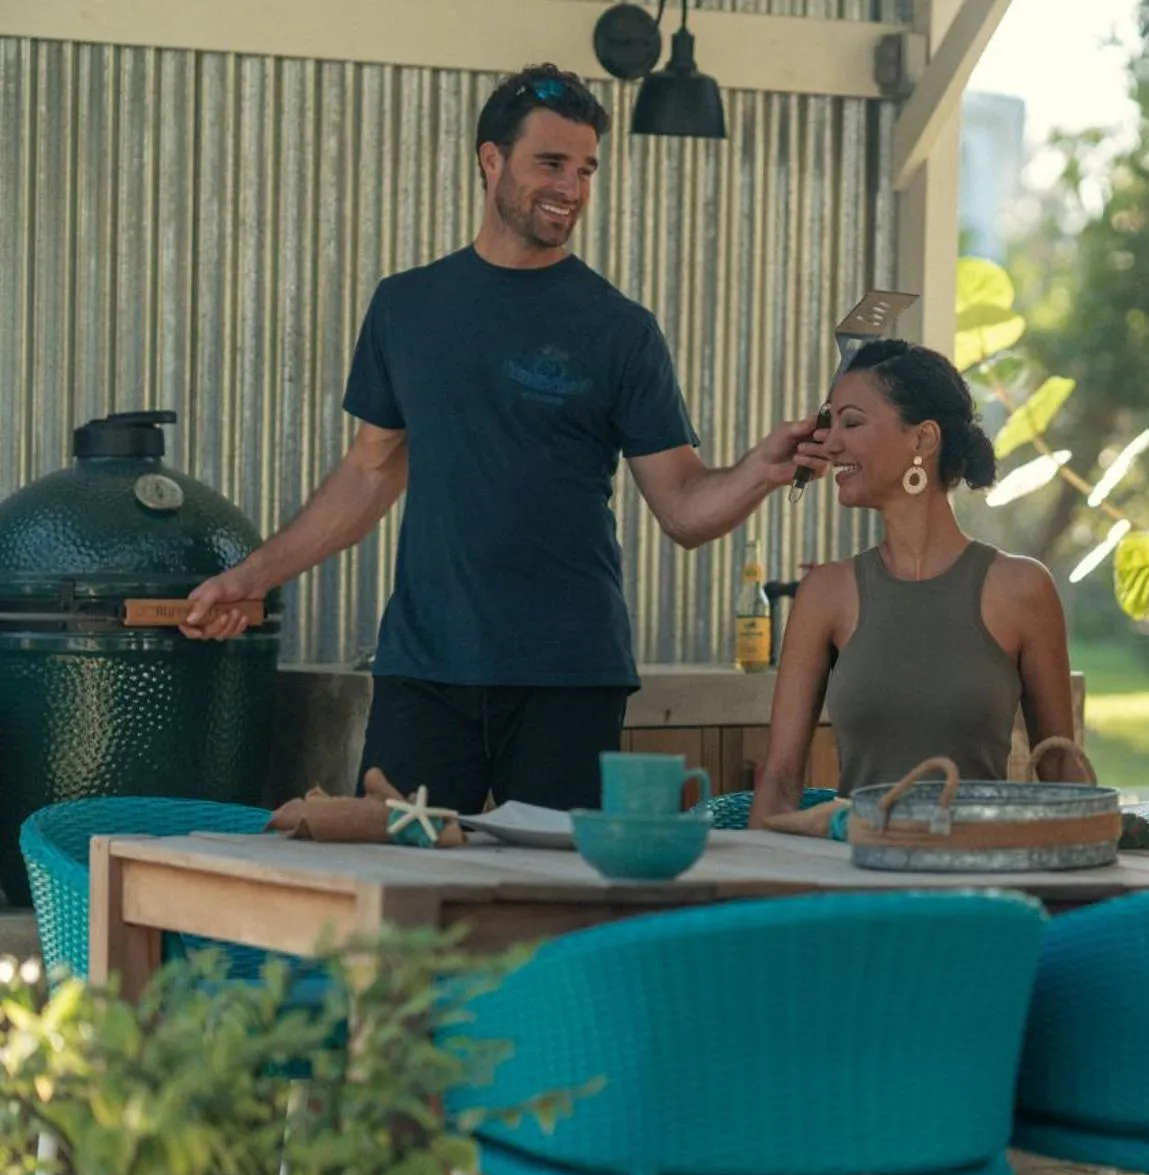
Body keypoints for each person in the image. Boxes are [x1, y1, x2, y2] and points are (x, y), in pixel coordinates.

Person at [183, 63, 819, 822]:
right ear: (491, 161)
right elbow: (368, 474)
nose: (572, 187)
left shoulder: (618, 329)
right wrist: (252, 576)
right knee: (395, 903)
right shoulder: (407, 307)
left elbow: (682, 509)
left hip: (570, 676)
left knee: (553, 908)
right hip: (424, 670)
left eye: (585, 169)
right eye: (551, 163)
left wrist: (759, 470)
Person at [750, 338, 1081, 1175]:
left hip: (987, 905)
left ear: (919, 443)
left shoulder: (1019, 588)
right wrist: (838, 822)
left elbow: (1066, 769)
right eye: (829, 420)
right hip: (855, 899)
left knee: (946, 1029)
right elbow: (768, 801)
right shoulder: (827, 593)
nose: (829, 439)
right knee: (879, 1072)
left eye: (851, 420)